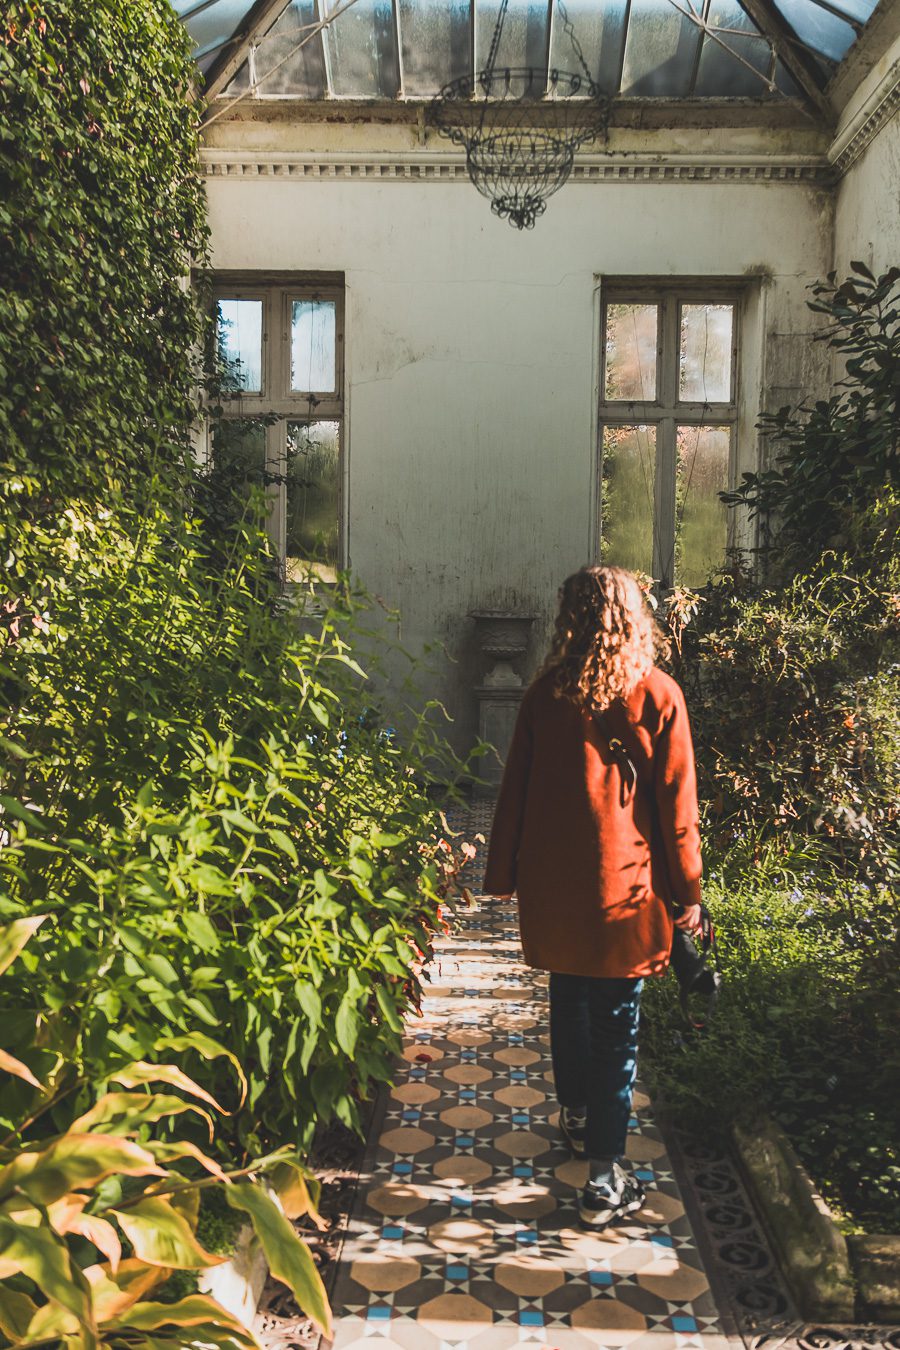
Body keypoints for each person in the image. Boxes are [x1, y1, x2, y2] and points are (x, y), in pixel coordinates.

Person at [483, 564, 704, 1228]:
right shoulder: (660, 695)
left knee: (570, 1002)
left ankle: (578, 1115)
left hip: (557, 889)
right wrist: (688, 889)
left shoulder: (545, 696)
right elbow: (677, 807)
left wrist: (501, 876)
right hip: (625, 895)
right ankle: (606, 1178)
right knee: (618, 1029)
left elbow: (513, 791)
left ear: (569, 620)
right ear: (633, 617)